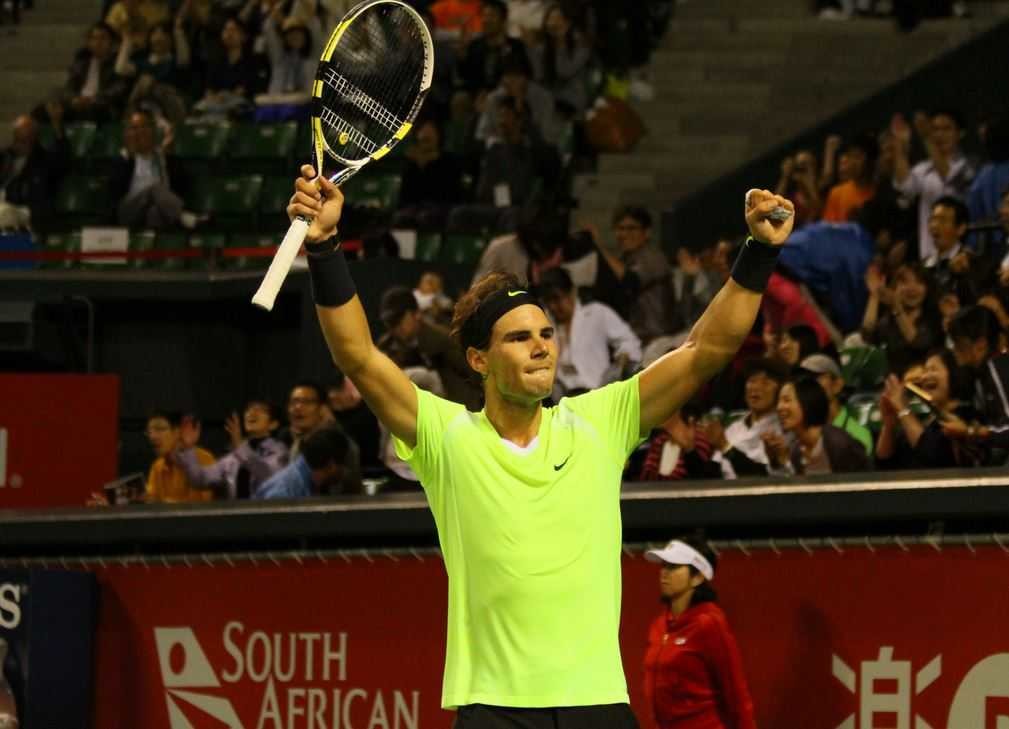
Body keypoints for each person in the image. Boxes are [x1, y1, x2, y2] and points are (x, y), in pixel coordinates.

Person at [285, 159, 795, 725]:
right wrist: (324, 246)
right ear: (479, 359)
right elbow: (359, 356)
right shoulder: (447, 438)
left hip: (596, 705)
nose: (541, 347)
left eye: (547, 334)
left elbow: (705, 351)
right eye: (519, 337)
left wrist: (759, 251)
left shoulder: (600, 422)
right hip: (495, 709)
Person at [643, 537, 756, 729]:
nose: (664, 573)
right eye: (664, 565)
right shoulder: (659, 625)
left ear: (698, 577)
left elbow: (736, 694)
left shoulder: (709, 623)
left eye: (674, 567)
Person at [538, 266, 641, 395]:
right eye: (548, 301)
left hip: (597, 389)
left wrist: (621, 361)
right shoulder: (544, 326)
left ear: (572, 292)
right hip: (563, 397)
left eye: (557, 298)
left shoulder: (596, 313)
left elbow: (630, 341)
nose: (553, 307)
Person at [377, 286, 482, 410]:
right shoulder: (387, 347)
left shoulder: (441, 341)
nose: (394, 327)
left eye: (398, 320)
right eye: (390, 322)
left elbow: (472, 375)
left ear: (416, 314)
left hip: (453, 409)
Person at [892, 109, 976, 261]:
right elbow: (905, 187)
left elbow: (949, 176)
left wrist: (927, 138)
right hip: (929, 256)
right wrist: (900, 146)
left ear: (960, 133)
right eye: (935, 130)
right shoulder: (923, 168)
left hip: (961, 255)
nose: (939, 135)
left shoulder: (969, 164)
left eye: (946, 129)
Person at [876, 349, 982, 469]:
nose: (924, 377)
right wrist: (888, 426)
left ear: (954, 373)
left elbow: (931, 454)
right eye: (925, 371)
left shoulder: (968, 415)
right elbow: (884, 462)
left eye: (933, 369)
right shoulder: (925, 420)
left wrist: (902, 408)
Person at [175, 399, 288, 499]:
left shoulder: (279, 451)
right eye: (249, 409)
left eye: (261, 410)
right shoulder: (233, 457)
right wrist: (189, 448)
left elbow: (266, 473)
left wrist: (239, 445)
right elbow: (199, 480)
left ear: (273, 424)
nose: (252, 412)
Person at [592, 206, 672, 345]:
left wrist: (599, 246)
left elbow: (631, 281)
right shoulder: (624, 259)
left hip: (655, 340)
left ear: (647, 232)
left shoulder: (653, 257)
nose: (624, 234)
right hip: (632, 339)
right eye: (620, 228)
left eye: (631, 228)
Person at [110, 111, 202, 230]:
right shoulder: (124, 159)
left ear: (153, 131)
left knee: (154, 213)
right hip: (129, 211)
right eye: (134, 128)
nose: (140, 132)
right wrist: (128, 159)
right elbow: (114, 191)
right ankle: (184, 216)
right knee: (154, 188)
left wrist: (167, 158)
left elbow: (183, 184)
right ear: (128, 134)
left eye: (144, 127)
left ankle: (153, 239)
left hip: (160, 207)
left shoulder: (164, 157)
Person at [766, 377, 871, 475]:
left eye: (786, 400)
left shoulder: (838, 443)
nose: (779, 407)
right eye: (778, 402)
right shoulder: (796, 451)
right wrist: (776, 459)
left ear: (807, 402)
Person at [706, 357, 789, 478]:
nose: (755, 387)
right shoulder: (734, 427)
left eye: (765, 383)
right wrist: (690, 450)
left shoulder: (783, 428)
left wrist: (725, 446)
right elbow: (712, 473)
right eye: (752, 381)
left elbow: (761, 477)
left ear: (779, 391)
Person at [862, 262, 941, 377]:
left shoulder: (934, 317)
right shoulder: (889, 320)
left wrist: (897, 307)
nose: (912, 288)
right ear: (894, 288)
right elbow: (867, 335)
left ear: (927, 288)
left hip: (923, 381)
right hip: (893, 382)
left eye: (919, 282)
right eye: (904, 282)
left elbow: (917, 342)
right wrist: (874, 294)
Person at [0, 108, 68, 232]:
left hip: (28, 209)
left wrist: (57, 126)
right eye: (18, 137)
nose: (21, 143)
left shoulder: (44, 159)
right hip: (4, 203)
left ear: (34, 136)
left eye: (26, 138)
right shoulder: (5, 156)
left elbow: (62, 158)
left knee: (4, 213)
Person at [800, 353, 873, 455]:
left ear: (837, 385)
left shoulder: (856, 434)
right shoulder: (800, 431)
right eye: (804, 381)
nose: (808, 386)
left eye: (816, 378)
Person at [56, 22, 130, 122]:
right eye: (94, 38)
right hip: (78, 102)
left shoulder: (118, 63)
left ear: (111, 41)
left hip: (101, 105)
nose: (98, 42)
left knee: (92, 111)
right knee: (45, 109)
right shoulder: (81, 62)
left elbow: (118, 89)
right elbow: (70, 86)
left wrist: (92, 100)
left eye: (103, 38)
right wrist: (74, 99)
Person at [254, 424, 352, 498]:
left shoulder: (303, 478)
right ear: (331, 465)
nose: (346, 472)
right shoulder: (284, 493)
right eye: (345, 464)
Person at [457, 0, 530, 93]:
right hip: (477, 93)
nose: (486, 20)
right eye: (484, 16)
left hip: (506, 93)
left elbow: (523, 75)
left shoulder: (516, 46)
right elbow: (464, 76)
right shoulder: (475, 45)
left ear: (503, 20)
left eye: (491, 16)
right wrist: (462, 52)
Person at [637, 404, 721, 482]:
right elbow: (644, 480)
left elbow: (702, 480)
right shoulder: (657, 443)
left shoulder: (700, 443)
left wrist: (689, 449)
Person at [144, 411, 215, 503]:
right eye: (150, 431)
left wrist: (163, 504)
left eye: (159, 429)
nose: (152, 436)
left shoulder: (203, 459)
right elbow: (152, 499)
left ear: (177, 432)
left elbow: (203, 504)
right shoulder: (157, 466)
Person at [821, 133, 878, 223]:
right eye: (851, 156)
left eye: (858, 156)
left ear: (870, 160)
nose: (854, 162)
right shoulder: (837, 194)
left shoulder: (879, 191)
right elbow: (830, 227)